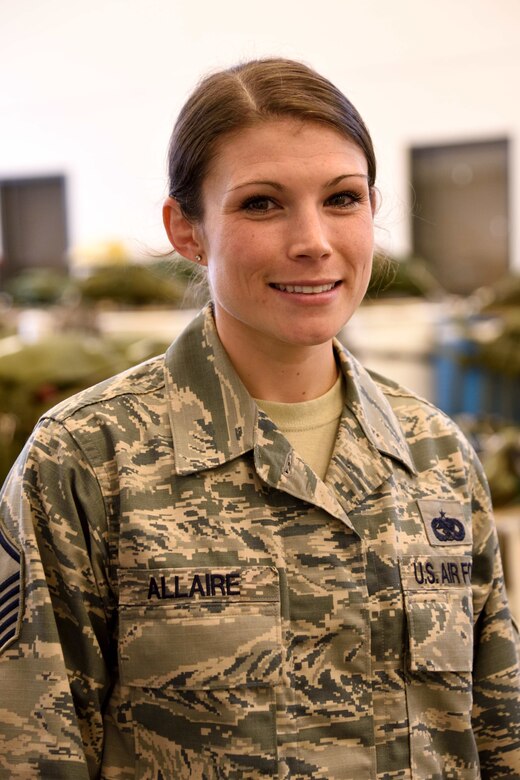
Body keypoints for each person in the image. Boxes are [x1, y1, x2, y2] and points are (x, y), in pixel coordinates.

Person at [0, 58, 518, 780]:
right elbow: (31, 754)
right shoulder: (86, 461)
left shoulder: (436, 455)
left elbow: (499, 734)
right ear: (187, 230)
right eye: (261, 204)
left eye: (342, 198)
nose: (313, 240)